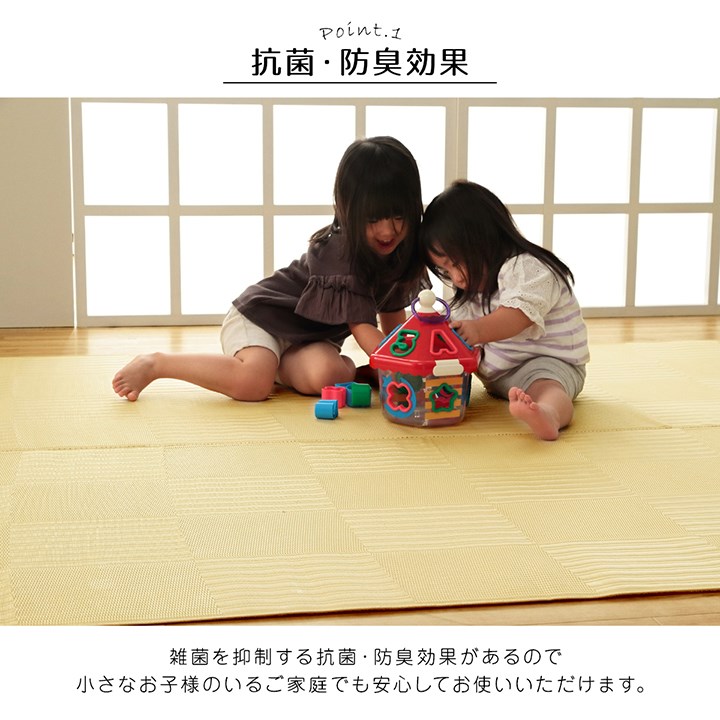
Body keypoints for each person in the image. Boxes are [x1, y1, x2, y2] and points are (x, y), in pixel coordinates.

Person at [112, 136, 428, 402]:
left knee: (327, 376)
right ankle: (157, 364)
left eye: (398, 216)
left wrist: (404, 357)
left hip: (309, 342)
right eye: (372, 220)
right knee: (253, 384)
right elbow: (362, 327)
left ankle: (283, 366)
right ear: (347, 210)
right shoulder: (340, 249)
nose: (387, 231)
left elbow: (393, 320)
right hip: (263, 319)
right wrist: (404, 368)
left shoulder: (400, 252)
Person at [419, 180, 589, 440]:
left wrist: (477, 330)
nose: (456, 278)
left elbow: (517, 316)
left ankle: (550, 414)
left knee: (548, 389)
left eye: (456, 263)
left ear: (485, 239)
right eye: (445, 270)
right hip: (500, 379)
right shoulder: (471, 292)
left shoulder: (527, 268)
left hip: (548, 364)